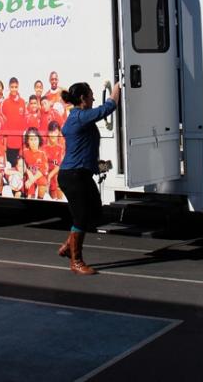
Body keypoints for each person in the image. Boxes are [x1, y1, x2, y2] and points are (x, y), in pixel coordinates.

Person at [56, 81, 120, 275]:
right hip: (73, 176)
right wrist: (115, 90)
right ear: (83, 99)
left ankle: (69, 246)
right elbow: (106, 109)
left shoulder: (80, 118)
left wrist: (99, 165)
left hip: (81, 173)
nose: (93, 98)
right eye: (91, 95)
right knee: (81, 216)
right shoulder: (80, 116)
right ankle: (76, 261)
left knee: (95, 212)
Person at [1, 77, 27, 167]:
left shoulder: (23, 102)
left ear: (18, 87)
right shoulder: (5, 103)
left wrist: (24, 141)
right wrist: (4, 143)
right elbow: (4, 125)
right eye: (12, 87)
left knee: (20, 168)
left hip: (20, 144)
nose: (14, 89)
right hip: (9, 144)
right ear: (9, 87)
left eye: (16, 87)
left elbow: (24, 123)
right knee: (10, 168)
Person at [21, 127, 49, 199]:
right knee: (29, 190)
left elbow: (43, 169)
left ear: (39, 140)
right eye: (31, 139)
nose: (33, 142)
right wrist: (29, 176)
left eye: (35, 139)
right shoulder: (24, 151)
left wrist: (32, 179)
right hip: (28, 175)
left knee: (43, 183)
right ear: (27, 141)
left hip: (38, 175)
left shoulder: (43, 153)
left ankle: (40, 199)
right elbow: (22, 165)